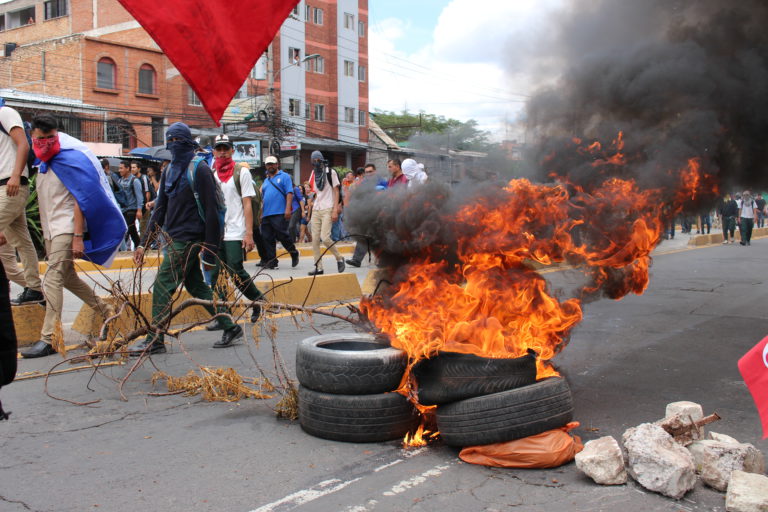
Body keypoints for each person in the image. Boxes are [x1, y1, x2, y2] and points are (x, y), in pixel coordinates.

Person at [130, 122, 243, 355]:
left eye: (178, 141)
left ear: (188, 142)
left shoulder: (199, 170)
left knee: (163, 285)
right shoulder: (169, 171)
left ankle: (155, 338)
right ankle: (230, 326)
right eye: (170, 141)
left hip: (189, 239)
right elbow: (160, 209)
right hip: (173, 238)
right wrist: (143, 242)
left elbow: (212, 212)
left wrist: (210, 249)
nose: (174, 145)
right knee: (196, 286)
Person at [21, 115, 124, 358]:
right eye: (41, 138)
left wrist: (78, 236)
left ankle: (50, 338)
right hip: (50, 229)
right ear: (33, 137)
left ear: (57, 135)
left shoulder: (69, 159)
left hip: (66, 228)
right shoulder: (40, 163)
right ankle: (106, 309)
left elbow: (81, 199)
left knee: (52, 278)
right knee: (67, 277)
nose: (46, 142)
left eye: (51, 137)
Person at [206, 134, 264, 330]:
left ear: (232, 150)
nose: (222, 152)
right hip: (217, 232)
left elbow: (247, 204)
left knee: (235, 270)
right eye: (219, 149)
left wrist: (249, 234)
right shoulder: (211, 174)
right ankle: (224, 316)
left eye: (226, 149)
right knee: (215, 275)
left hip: (236, 230)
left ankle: (258, 300)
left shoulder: (242, 172)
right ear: (214, 152)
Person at [0, 100, 44, 305]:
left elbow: (23, 144)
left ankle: (36, 288)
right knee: (22, 241)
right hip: (5, 187)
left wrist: (16, 175)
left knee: (21, 242)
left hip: (10, 186)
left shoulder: (5, 112)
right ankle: (35, 289)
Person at [308, 151, 345, 275]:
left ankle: (339, 258)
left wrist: (335, 210)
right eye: (313, 160)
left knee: (325, 238)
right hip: (316, 209)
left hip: (328, 208)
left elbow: (336, 191)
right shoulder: (313, 173)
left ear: (322, 159)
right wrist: (311, 200)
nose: (316, 162)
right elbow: (313, 191)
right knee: (314, 240)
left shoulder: (330, 172)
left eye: (318, 159)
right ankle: (319, 267)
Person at [260, 155, 299, 270]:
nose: (270, 166)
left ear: (277, 164)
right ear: (266, 166)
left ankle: (293, 252)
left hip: (279, 212)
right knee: (267, 238)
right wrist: (261, 214)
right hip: (266, 213)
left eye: (272, 164)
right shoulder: (266, 181)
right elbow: (263, 198)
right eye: (268, 164)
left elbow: (289, 193)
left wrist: (287, 209)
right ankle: (272, 261)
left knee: (282, 235)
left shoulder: (284, 176)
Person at [345, 163, 383, 268]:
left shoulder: (382, 181)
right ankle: (356, 260)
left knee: (380, 238)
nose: (369, 174)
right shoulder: (363, 183)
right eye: (367, 172)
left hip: (380, 213)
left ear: (375, 171)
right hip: (368, 214)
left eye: (370, 171)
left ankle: (382, 260)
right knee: (363, 236)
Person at [114, 160, 143, 249]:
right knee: (132, 230)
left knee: (127, 229)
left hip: (131, 209)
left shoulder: (135, 180)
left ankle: (122, 249)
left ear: (127, 168)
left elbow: (139, 196)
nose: (119, 170)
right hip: (123, 210)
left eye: (121, 168)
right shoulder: (120, 181)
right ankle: (140, 247)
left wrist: (139, 210)